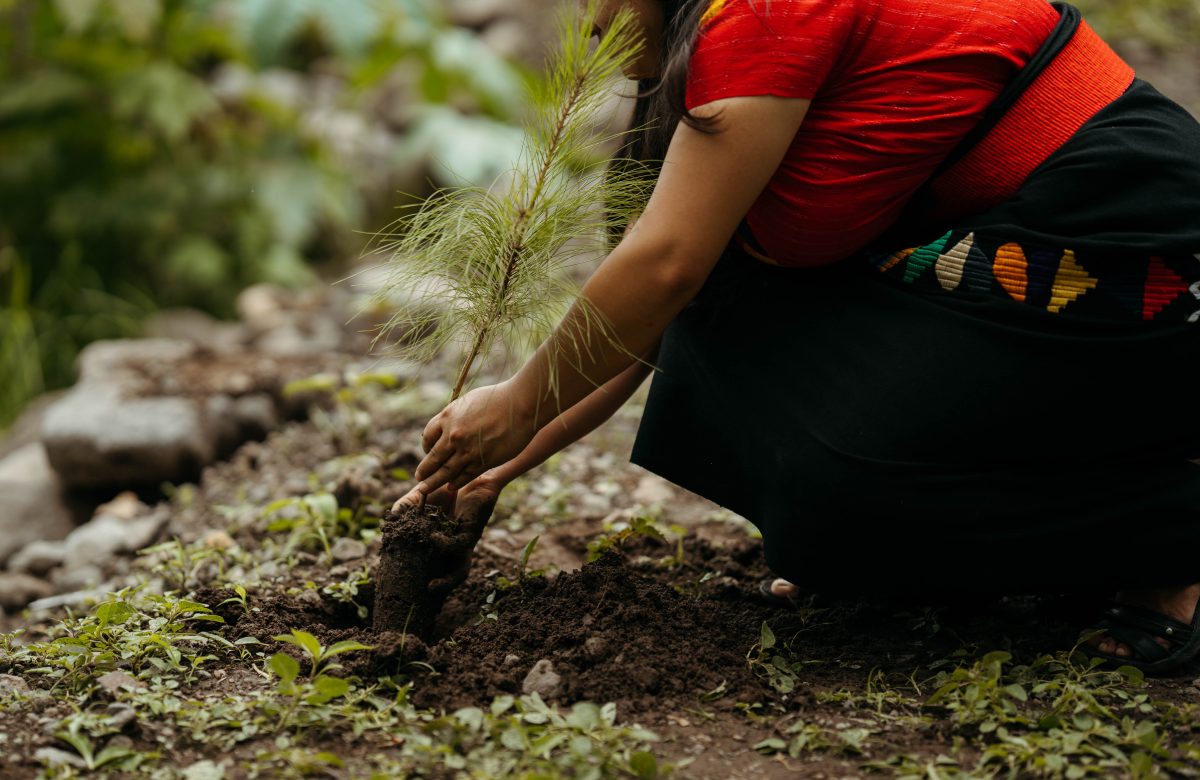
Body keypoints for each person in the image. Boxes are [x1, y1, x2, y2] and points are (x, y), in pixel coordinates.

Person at [396, 0, 1200, 674]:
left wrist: (518, 401)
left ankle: (1170, 549)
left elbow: (667, 270)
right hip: (993, 254)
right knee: (784, 427)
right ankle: (1027, 547)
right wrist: (488, 470)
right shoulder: (702, 56)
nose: (591, 23)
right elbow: (654, 313)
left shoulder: (767, 12)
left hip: (1126, 246)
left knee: (844, 487)